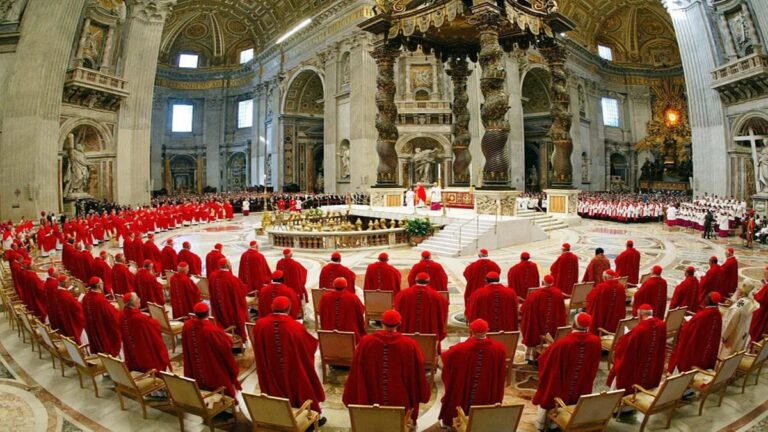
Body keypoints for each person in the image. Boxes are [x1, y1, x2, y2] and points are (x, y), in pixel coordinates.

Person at [343, 310, 430, 421]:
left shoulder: (365, 342)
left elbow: (357, 368)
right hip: (400, 397)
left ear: (382, 323)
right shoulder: (409, 344)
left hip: (372, 394)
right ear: (399, 324)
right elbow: (418, 369)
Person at [251, 297, 326, 417]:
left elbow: (258, 348)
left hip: (270, 367)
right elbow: (307, 347)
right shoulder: (295, 326)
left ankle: (279, 413)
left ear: (272, 308)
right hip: (291, 367)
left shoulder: (260, 325)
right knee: (299, 384)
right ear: (289, 309)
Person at [532, 313, 601, 430]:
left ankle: (545, 423)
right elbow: (594, 364)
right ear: (588, 326)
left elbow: (545, 360)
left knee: (550, 390)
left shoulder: (563, 343)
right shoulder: (596, 341)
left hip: (561, 381)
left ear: (573, 325)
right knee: (577, 393)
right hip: (582, 380)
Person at [438, 319, 506, 427]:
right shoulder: (499, 349)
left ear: (471, 330)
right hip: (486, 390)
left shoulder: (459, 349)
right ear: (487, 330)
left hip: (463, 389)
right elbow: (501, 374)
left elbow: (444, 360)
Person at [182, 302, 241, 397]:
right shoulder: (212, 330)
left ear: (195, 313)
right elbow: (228, 344)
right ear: (208, 313)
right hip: (212, 366)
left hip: (196, 366)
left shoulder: (187, 326)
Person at [607, 304, 666, 395]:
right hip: (652, 361)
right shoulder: (662, 325)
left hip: (639, 364)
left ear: (640, 316)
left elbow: (625, 348)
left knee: (623, 370)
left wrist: (622, 341)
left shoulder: (640, 329)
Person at [668, 292, 724, 373]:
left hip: (695, 352)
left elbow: (686, 331)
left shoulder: (701, 316)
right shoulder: (718, 315)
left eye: (706, 298)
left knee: (684, 359)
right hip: (705, 352)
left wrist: (685, 324)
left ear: (708, 300)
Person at [120, 292, 171, 374]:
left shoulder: (122, 315)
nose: (139, 299)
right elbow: (155, 327)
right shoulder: (141, 319)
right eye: (138, 298)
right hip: (145, 353)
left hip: (133, 350)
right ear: (134, 302)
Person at [520, 274, 567, 362]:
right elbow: (562, 312)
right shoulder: (558, 294)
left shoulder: (534, 295)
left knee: (533, 328)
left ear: (542, 282)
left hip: (538, 328)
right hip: (553, 327)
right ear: (553, 283)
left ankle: (532, 357)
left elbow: (524, 309)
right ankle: (551, 355)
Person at [395, 272, 449, 342]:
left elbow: (397, 310)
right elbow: (442, 315)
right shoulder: (438, 297)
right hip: (429, 339)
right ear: (428, 281)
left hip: (407, 337)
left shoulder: (402, 295)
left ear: (415, 280)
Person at [82, 277, 122, 356]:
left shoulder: (86, 298)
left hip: (93, 330)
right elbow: (111, 316)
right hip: (103, 330)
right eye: (102, 283)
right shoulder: (100, 299)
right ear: (99, 285)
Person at [317, 277, 366, 342]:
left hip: (330, 331)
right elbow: (361, 311)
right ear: (346, 285)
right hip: (349, 332)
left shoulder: (325, 297)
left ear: (334, 285)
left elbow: (321, 312)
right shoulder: (353, 297)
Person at [210, 258, 248, 339]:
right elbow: (242, 293)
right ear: (228, 265)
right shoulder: (232, 279)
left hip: (218, 307)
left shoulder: (212, 276)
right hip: (230, 308)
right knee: (234, 316)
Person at [720, 283, 758, 357]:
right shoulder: (750, 303)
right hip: (742, 334)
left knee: (725, 355)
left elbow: (730, 323)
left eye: (738, 289)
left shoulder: (737, 307)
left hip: (732, 336)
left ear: (741, 292)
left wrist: (724, 335)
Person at [585, 269, 627, 335]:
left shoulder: (601, 287)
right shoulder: (621, 287)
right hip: (615, 317)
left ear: (605, 277)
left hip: (602, 316)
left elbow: (589, 298)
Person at [51, 275, 86, 344]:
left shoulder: (59, 292)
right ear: (65, 283)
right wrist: (79, 302)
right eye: (68, 281)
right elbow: (76, 307)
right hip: (73, 321)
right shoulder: (65, 295)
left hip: (66, 320)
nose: (70, 283)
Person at [749, 267, 768, 342]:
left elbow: (760, 299)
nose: (764, 275)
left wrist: (755, 294)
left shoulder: (767, 287)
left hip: (763, 312)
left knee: (757, 329)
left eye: (766, 273)